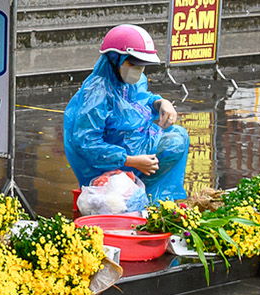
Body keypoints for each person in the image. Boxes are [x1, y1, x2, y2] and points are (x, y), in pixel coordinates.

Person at [63, 25, 190, 203]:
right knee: (115, 202)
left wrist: (160, 103)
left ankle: (150, 196)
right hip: (107, 165)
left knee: (176, 140)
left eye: (142, 65)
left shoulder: (131, 82)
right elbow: (85, 143)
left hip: (135, 153)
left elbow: (141, 100)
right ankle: (131, 197)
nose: (138, 69)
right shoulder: (96, 92)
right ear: (115, 59)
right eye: (133, 63)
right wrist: (129, 160)